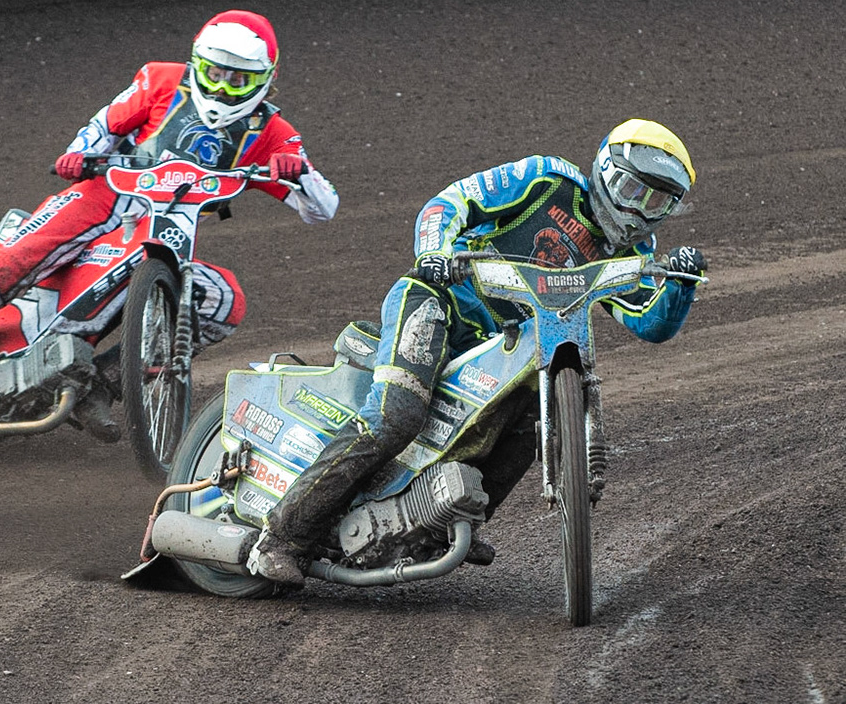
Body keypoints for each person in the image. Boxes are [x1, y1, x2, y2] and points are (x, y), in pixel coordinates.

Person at [247, 118, 708, 587]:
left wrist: (682, 286)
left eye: (656, 201)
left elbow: (649, 323)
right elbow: (449, 202)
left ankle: (447, 519)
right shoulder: (547, 179)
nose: (637, 209)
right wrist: (434, 253)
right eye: (631, 189)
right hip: (437, 302)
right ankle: (282, 536)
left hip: (505, 345)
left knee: (533, 408)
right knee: (398, 414)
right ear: (605, 171)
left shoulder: (634, 252)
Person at [0, 10, 339, 439]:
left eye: (237, 79)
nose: (220, 88)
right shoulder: (160, 79)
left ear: (264, 80)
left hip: (166, 227)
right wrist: (79, 153)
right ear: (196, 63)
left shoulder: (273, 133)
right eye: (214, 73)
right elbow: (101, 128)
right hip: (104, 196)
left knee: (221, 302)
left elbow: (323, 209)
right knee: (16, 261)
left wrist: (299, 174)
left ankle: (99, 386)